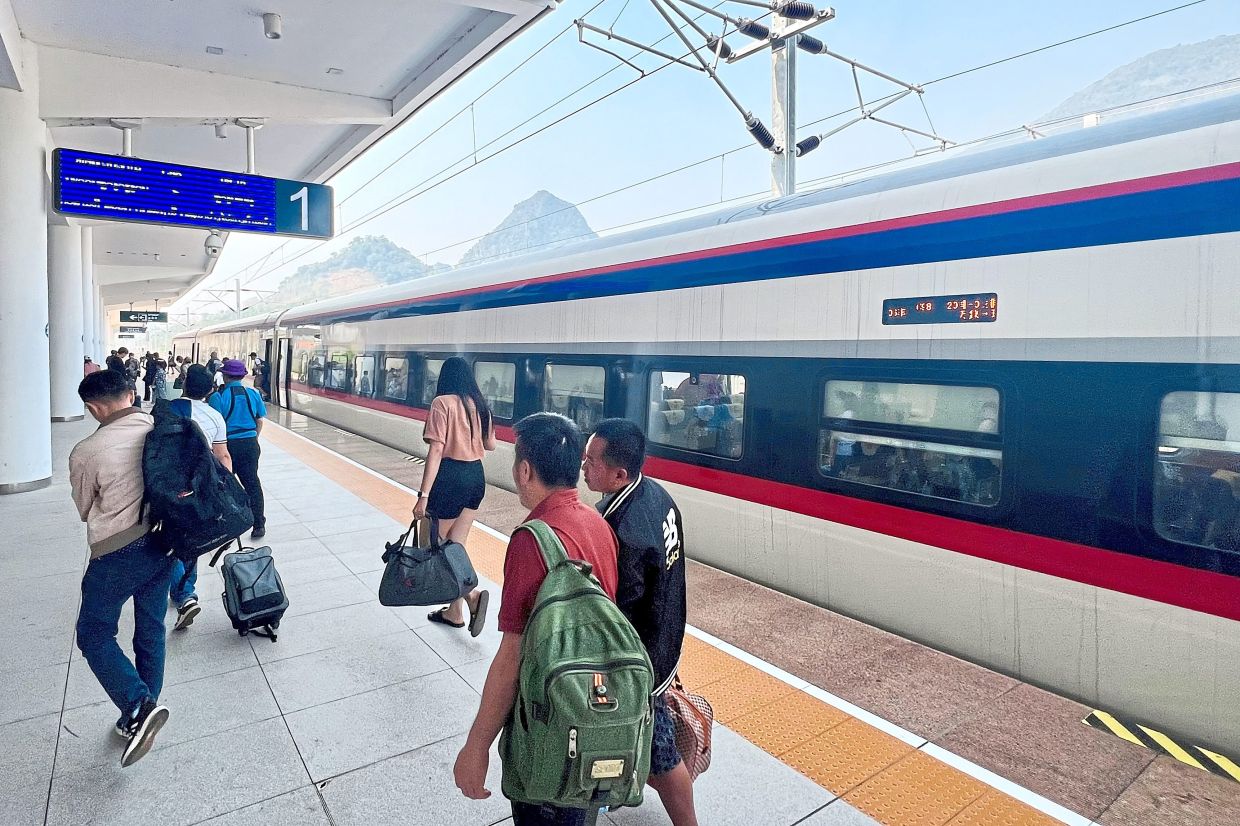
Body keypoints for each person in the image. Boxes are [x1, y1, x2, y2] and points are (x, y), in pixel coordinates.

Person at [454, 413, 619, 825]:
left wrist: (477, 746)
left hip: (550, 728)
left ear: (524, 470)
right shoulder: (599, 524)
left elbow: (513, 656)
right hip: (596, 714)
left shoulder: (533, 540)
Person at [582, 419, 697, 826]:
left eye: (592, 460)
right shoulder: (659, 496)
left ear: (619, 474)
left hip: (642, 663)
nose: (583, 465)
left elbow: (618, 612)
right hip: (666, 640)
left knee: (662, 757)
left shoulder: (622, 529)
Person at [69, 370, 171, 768]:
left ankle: (138, 707)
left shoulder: (87, 450)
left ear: (94, 407)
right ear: (131, 394)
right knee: (150, 627)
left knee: (94, 633)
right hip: (165, 542)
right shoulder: (162, 428)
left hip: (117, 550)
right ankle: (147, 705)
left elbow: (83, 508)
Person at [416, 356, 496, 635]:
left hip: (450, 478)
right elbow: (491, 444)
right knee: (456, 546)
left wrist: (423, 495)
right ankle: (455, 612)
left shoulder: (442, 404)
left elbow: (436, 451)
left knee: (434, 544)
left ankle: (471, 596)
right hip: (476, 476)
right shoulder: (479, 404)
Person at [166, 365, 233, 630]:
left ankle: (182, 593)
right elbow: (222, 456)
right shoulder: (214, 416)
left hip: (167, 486)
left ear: (183, 386)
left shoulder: (164, 410)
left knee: (167, 541)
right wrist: (226, 489)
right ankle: (185, 592)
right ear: (209, 390)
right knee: (190, 540)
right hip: (197, 487)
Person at [209, 359, 268, 540]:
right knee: (252, 483)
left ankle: (228, 524)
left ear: (225, 376)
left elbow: (215, 426)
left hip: (228, 446)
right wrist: (254, 438)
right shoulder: (253, 394)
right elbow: (259, 420)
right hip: (250, 443)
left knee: (225, 485)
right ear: (242, 376)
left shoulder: (217, 397)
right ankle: (258, 524)